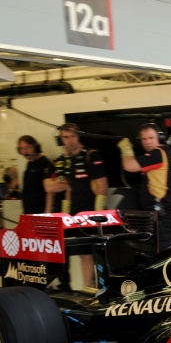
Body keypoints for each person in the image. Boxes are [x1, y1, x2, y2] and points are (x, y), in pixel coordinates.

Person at [55, 123, 108, 289]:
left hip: (92, 213)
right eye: (65, 137)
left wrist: (96, 215)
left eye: (72, 136)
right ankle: (87, 288)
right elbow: (68, 188)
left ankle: (91, 289)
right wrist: (65, 215)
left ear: (79, 136)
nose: (70, 141)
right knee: (82, 254)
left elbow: (102, 186)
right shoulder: (66, 160)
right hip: (75, 213)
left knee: (93, 254)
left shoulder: (92, 155)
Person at [119, 123, 171, 252]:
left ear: (159, 137)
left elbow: (129, 166)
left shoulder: (156, 154)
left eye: (151, 138)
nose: (148, 142)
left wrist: (126, 150)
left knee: (160, 258)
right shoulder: (168, 153)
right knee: (159, 254)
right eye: (144, 139)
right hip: (164, 213)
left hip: (163, 215)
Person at [17, 135, 64, 214]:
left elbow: (51, 191)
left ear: (36, 147)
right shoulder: (29, 164)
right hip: (29, 211)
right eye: (22, 148)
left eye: (28, 147)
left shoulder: (45, 164)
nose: (25, 151)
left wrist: (47, 213)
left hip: (41, 210)